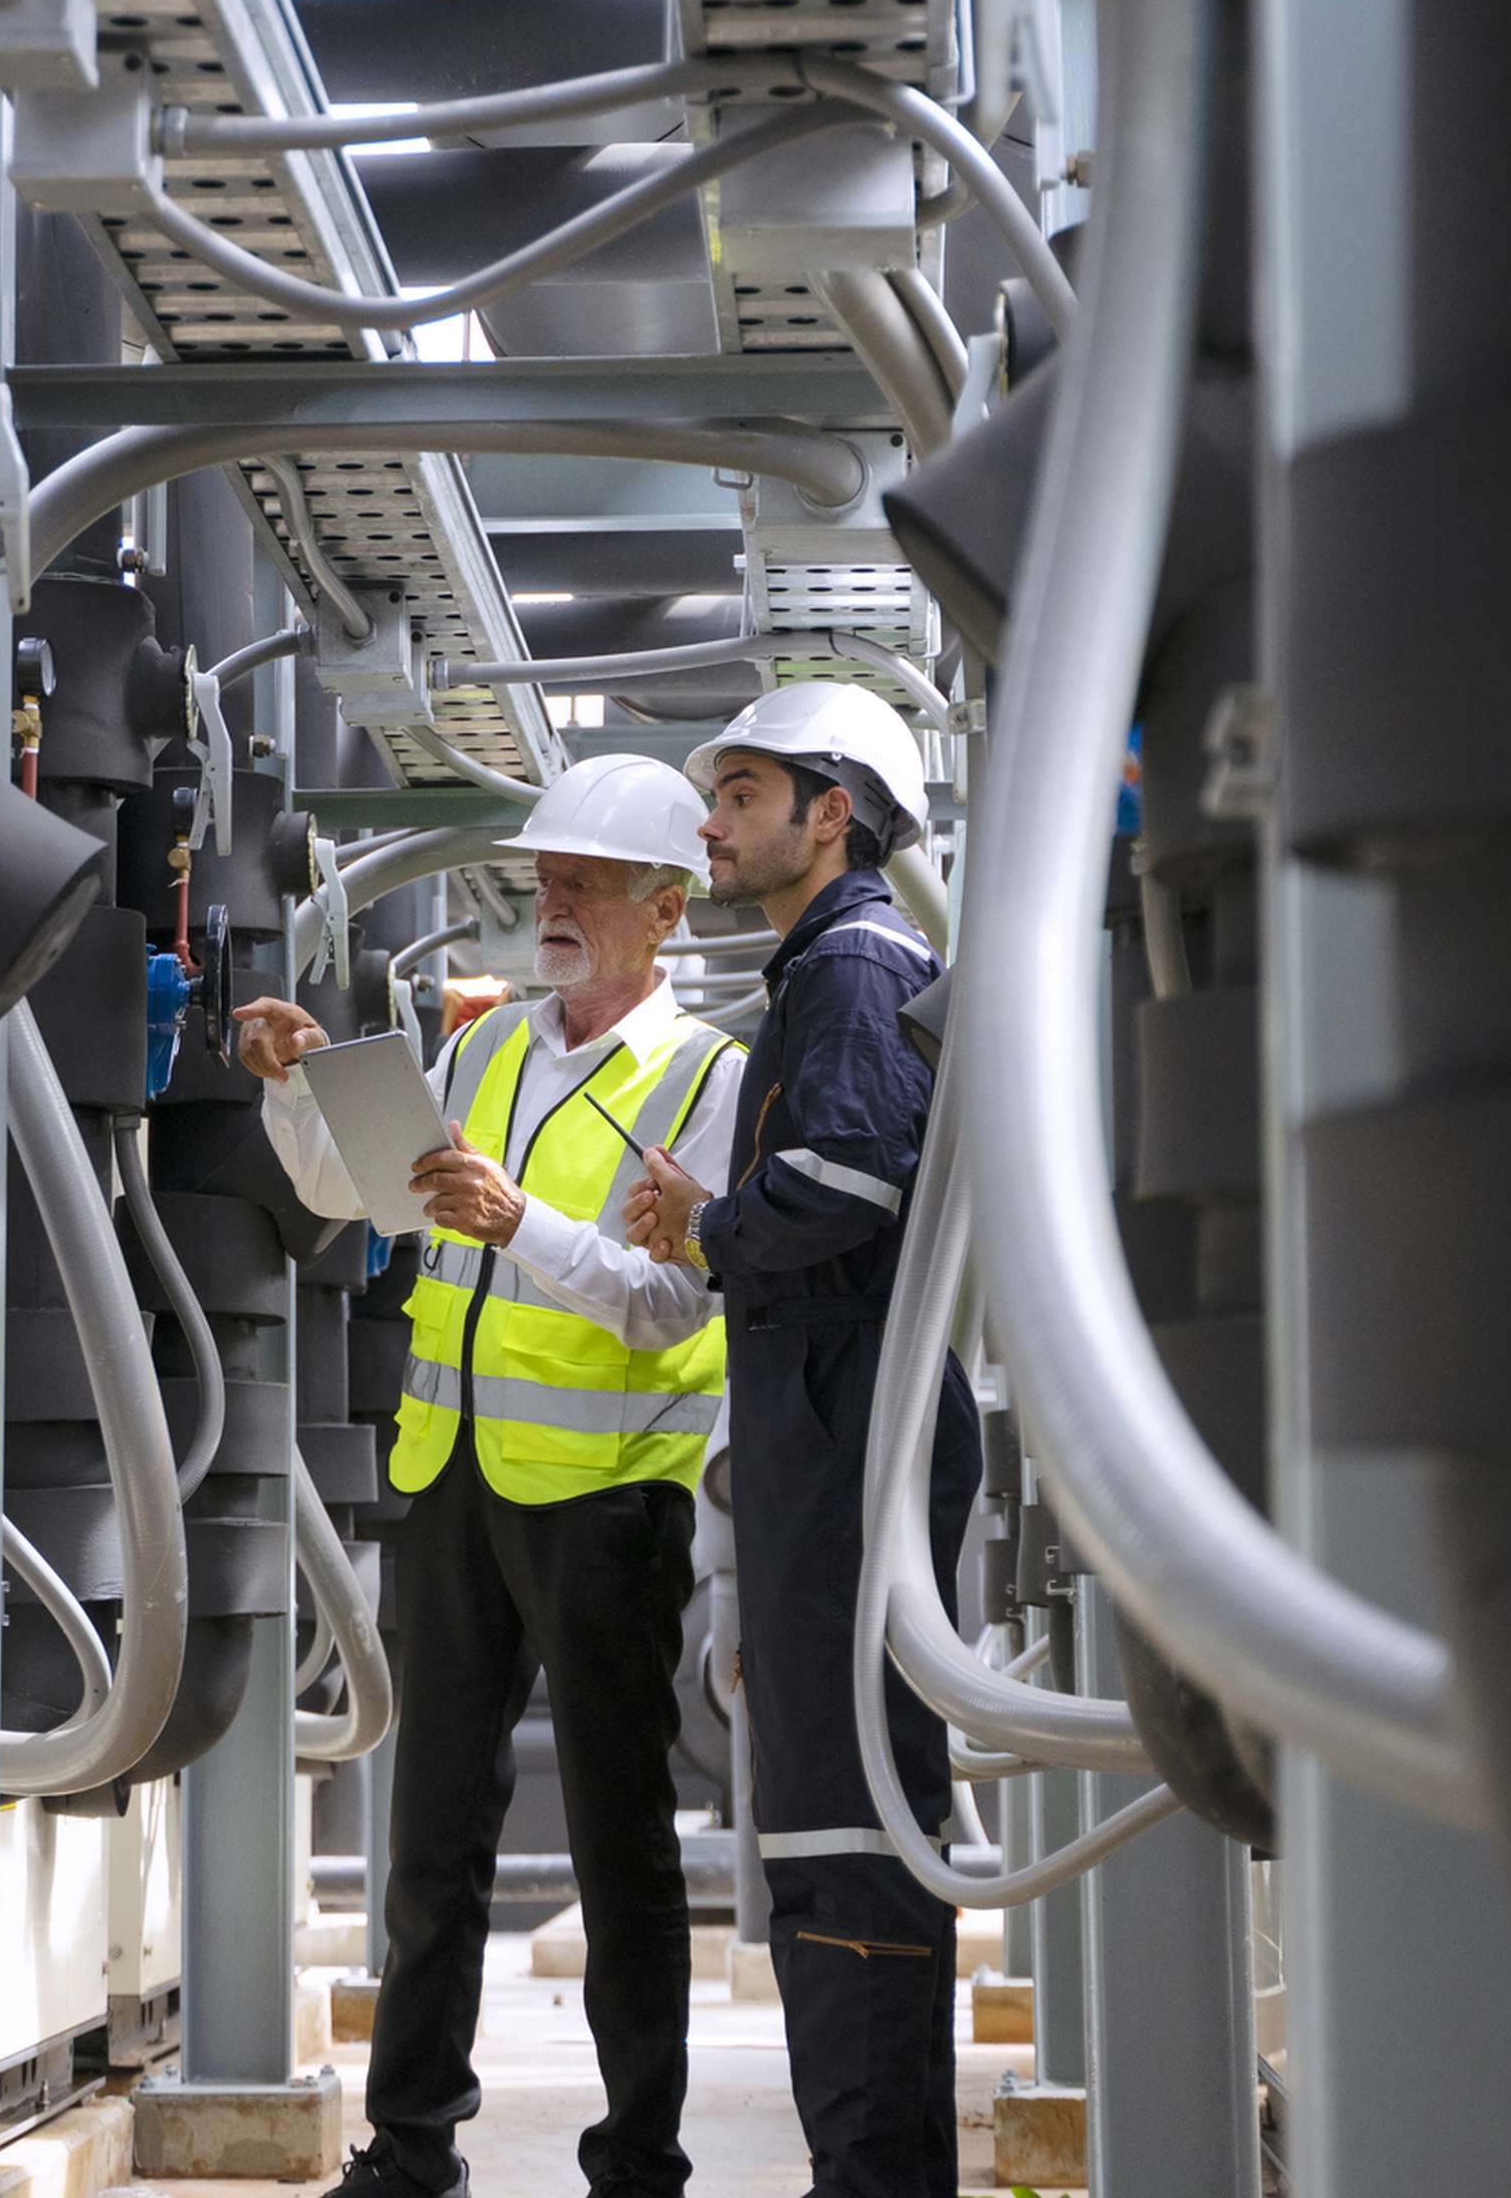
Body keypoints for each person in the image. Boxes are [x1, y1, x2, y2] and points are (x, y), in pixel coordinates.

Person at [234, 754, 748, 2198]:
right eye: (549, 875)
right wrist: (295, 1092)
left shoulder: (709, 1080)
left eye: (589, 880)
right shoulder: (486, 1050)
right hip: (453, 1480)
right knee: (432, 1838)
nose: (557, 900)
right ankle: (410, 2152)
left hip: (606, 1505)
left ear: (667, 909)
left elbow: (673, 1306)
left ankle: (638, 2161)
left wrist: (520, 1224)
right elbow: (359, 1193)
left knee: (622, 1847)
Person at [627, 683, 980, 2198]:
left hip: (846, 1441)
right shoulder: (837, 971)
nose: (713, 820)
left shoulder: (847, 972)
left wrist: (704, 1223)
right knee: (851, 1824)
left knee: (845, 1828)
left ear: (835, 814)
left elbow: (842, 1190)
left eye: (747, 791)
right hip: (828, 1438)